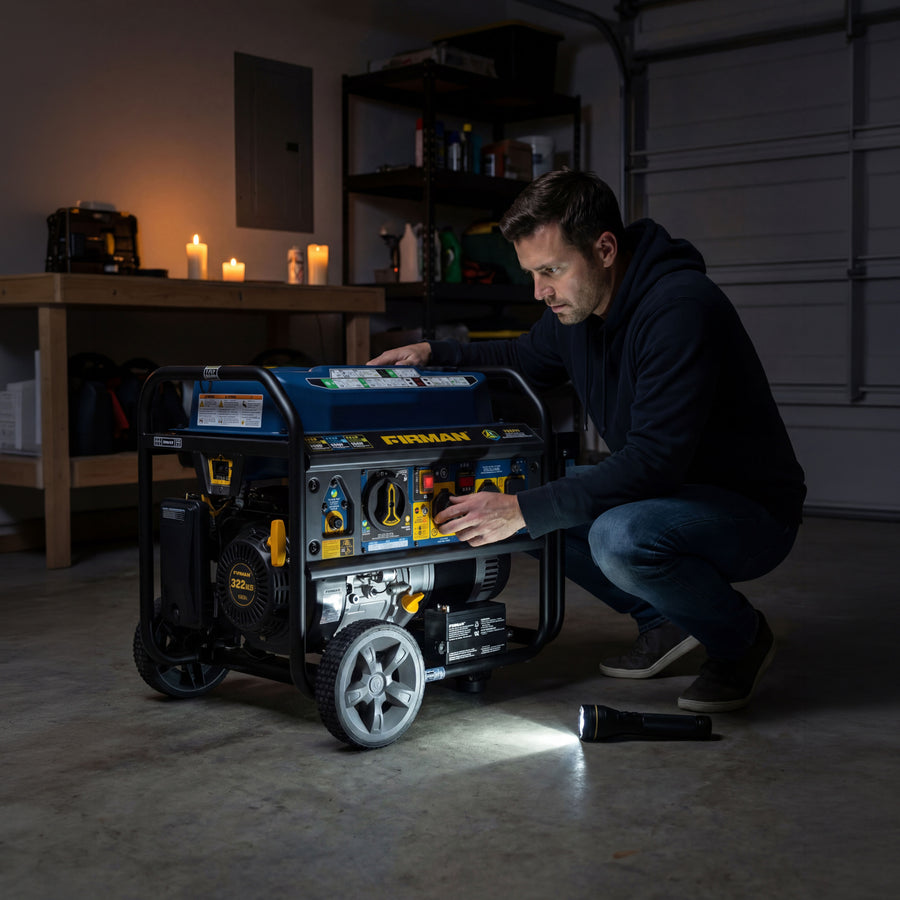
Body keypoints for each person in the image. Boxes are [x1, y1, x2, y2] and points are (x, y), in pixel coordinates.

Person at [368, 169, 806, 713]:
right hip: (668, 493)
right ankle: (665, 619)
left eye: (551, 270)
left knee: (616, 536)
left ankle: (740, 638)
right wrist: (434, 353)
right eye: (531, 273)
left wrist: (522, 509)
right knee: (525, 499)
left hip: (747, 510)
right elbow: (523, 359)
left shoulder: (681, 309)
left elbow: (654, 463)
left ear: (604, 249)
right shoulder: (576, 312)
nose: (540, 291)